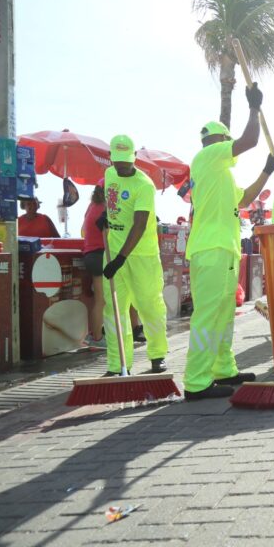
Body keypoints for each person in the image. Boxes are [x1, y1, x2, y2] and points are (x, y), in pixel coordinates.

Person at [184, 83, 274, 400]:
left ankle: (223, 369)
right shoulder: (209, 156)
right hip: (211, 250)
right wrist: (253, 107)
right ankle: (196, 381)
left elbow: (245, 198)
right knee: (208, 316)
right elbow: (249, 140)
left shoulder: (220, 173)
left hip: (221, 251)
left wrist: (266, 171)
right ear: (221, 141)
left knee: (223, 315)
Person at [99, 135, 169, 376]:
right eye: (117, 162)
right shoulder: (109, 176)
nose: (121, 167)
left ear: (134, 158)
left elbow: (139, 224)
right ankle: (118, 364)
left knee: (149, 306)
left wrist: (120, 259)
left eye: (125, 162)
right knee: (114, 310)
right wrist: (106, 216)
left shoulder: (144, 185)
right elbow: (114, 203)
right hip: (113, 252)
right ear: (111, 158)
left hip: (142, 256)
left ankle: (158, 355)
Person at [81, 180, 106, 348]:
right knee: (101, 300)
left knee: (100, 300)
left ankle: (96, 334)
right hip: (99, 255)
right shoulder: (106, 208)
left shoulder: (91, 206)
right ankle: (96, 338)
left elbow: (83, 230)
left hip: (90, 254)